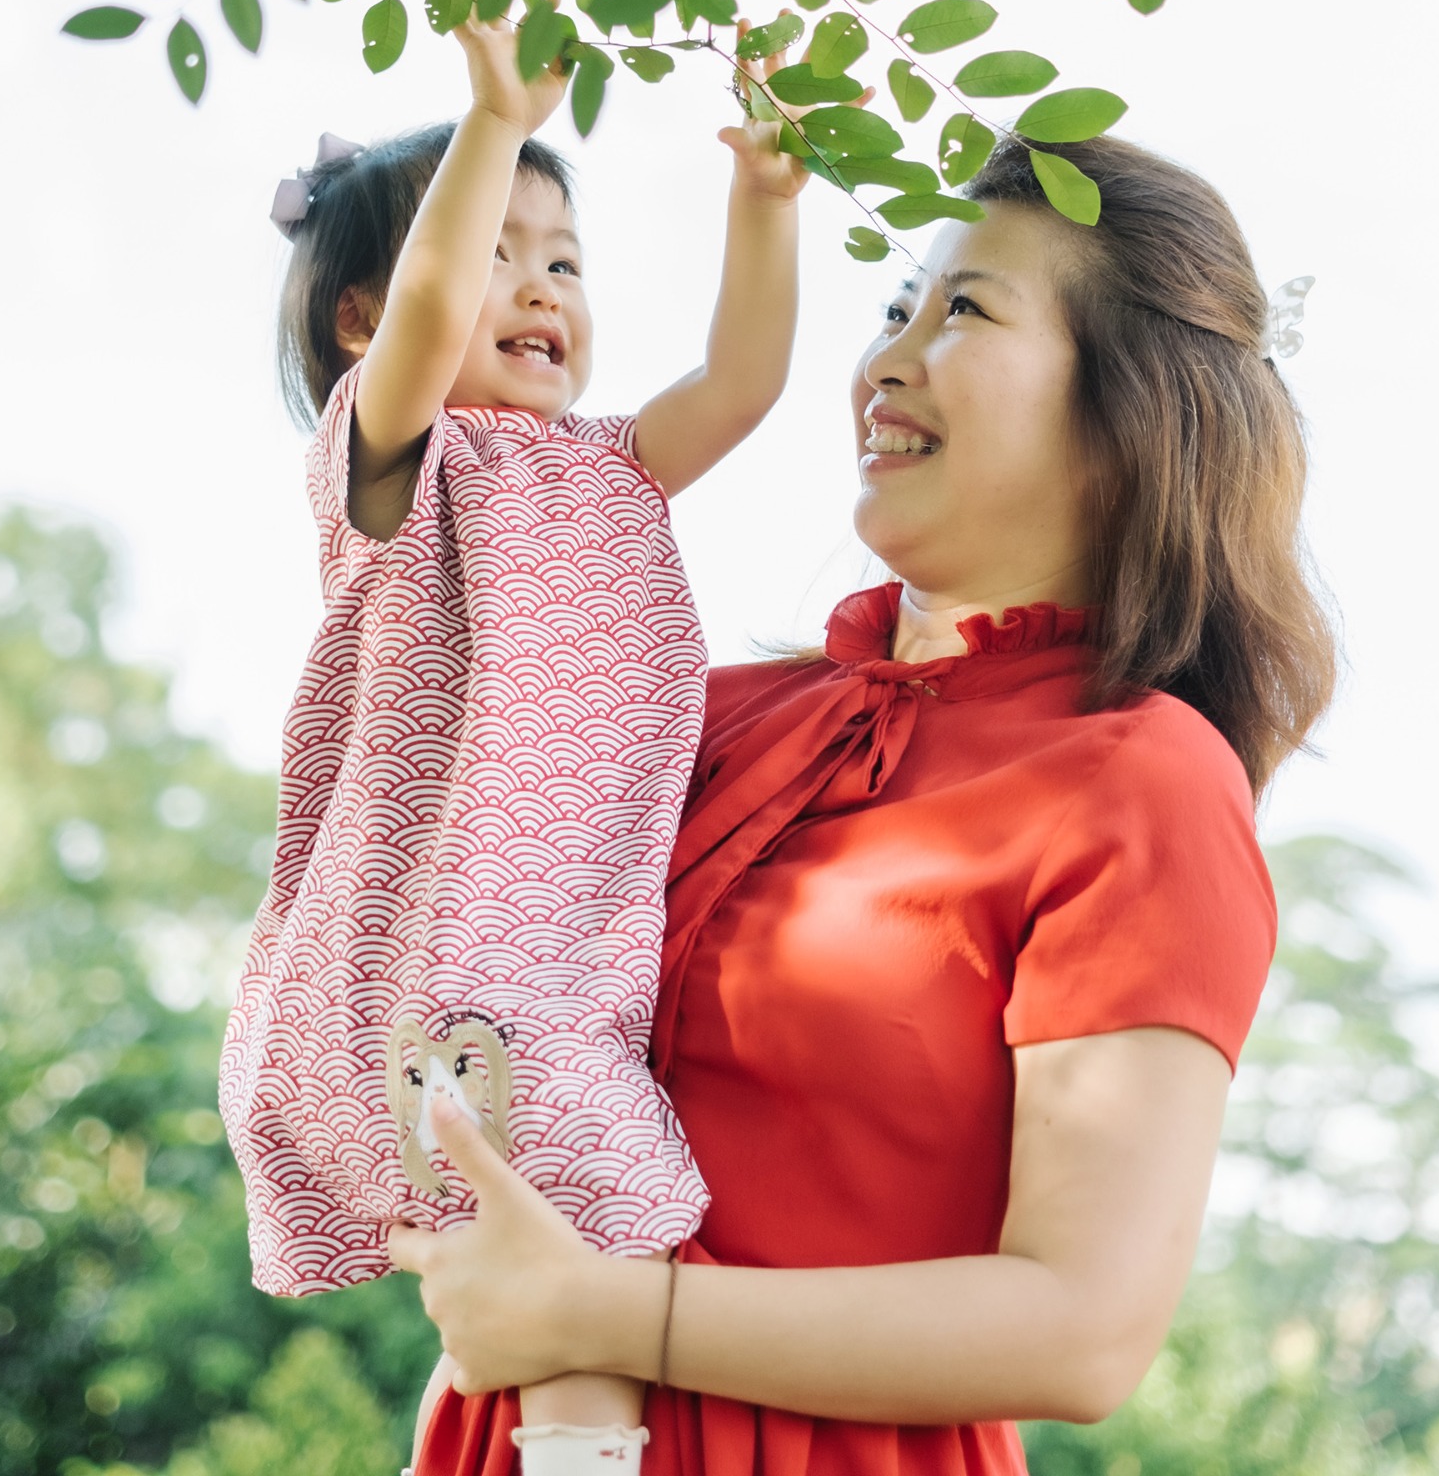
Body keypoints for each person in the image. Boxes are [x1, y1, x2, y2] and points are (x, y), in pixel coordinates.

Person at [390, 133, 1340, 1476]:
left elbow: (1084, 1330)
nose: (886, 357)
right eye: (899, 305)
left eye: (964, 310)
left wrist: (607, 1311)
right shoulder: (689, 710)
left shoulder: (1143, 780)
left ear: (1130, 420)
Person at [220, 17, 810, 1476]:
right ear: (364, 318)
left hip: (548, 983)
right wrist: (492, 125)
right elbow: (429, 324)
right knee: (606, 1282)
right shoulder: (399, 467)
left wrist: (768, 195)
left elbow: (741, 382)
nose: (542, 285)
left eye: (565, 258)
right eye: (500, 248)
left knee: (582, 1301)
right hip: (436, 983)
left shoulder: (613, 473)